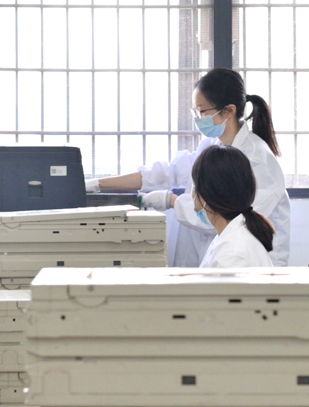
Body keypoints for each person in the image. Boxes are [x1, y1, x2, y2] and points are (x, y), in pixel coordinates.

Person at [87, 69, 291, 266]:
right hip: (217, 256)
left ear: (229, 111)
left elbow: (226, 217)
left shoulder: (258, 162)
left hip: (245, 265)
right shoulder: (212, 146)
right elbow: (165, 173)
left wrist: (172, 201)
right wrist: (96, 184)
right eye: (195, 111)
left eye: (202, 111)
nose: (197, 119)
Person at [190, 145, 275, 268]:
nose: (192, 195)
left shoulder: (232, 255)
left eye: (195, 186)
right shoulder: (229, 235)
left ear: (210, 194)